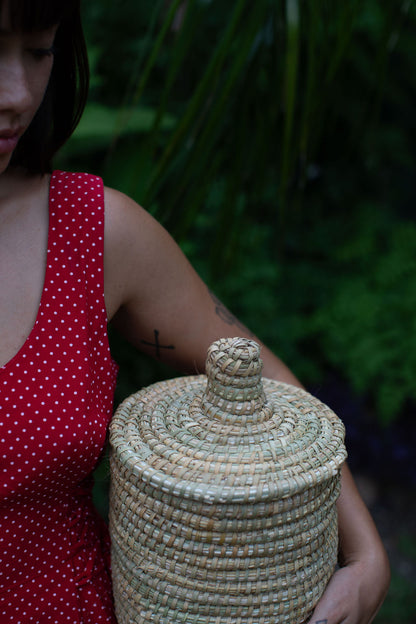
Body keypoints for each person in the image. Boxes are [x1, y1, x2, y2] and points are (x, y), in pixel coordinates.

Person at [0, 0, 390, 622]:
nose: (18, 93)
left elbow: (259, 378)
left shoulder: (91, 233)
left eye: (39, 50)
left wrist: (367, 559)